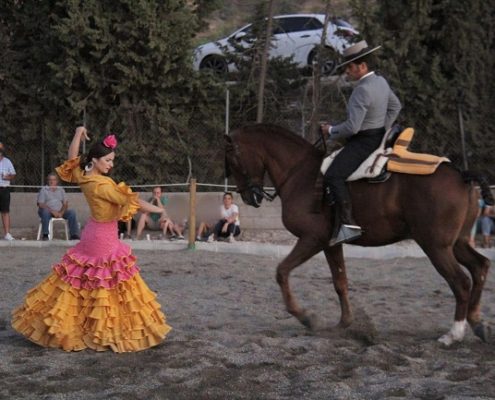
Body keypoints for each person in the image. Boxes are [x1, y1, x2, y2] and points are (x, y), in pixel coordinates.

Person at [12, 126, 171, 352]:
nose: (111, 164)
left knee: (83, 279)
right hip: (103, 237)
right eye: (108, 160)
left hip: (93, 233)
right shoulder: (103, 185)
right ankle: (102, 331)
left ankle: (79, 325)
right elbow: (132, 201)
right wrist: (158, 211)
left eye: (112, 160)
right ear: (95, 160)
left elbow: (72, 158)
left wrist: (77, 133)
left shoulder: (85, 176)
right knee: (108, 281)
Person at [320, 40, 401, 246]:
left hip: (363, 141)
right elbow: (395, 106)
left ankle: (348, 225)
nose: (347, 72)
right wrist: (382, 128)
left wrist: (331, 130)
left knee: (333, 175)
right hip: (378, 137)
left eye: (350, 67)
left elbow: (353, 127)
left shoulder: (361, 90)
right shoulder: (381, 82)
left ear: (362, 66)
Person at [37, 172, 80, 240]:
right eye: (50, 180)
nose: (52, 181)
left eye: (54, 180)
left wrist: (61, 213)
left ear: (57, 181)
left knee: (72, 212)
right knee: (45, 212)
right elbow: (40, 204)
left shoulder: (61, 190)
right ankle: (45, 235)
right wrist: (52, 211)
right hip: (48, 211)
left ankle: (74, 235)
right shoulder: (44, 190)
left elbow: (65, 204)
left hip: (60, 211)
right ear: (48, 181)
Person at [0, 141, 16, 241]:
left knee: (5, 211)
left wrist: (7, 177)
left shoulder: (7, 161)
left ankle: (7, 234)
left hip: (4, 189)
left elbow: (13, 175)